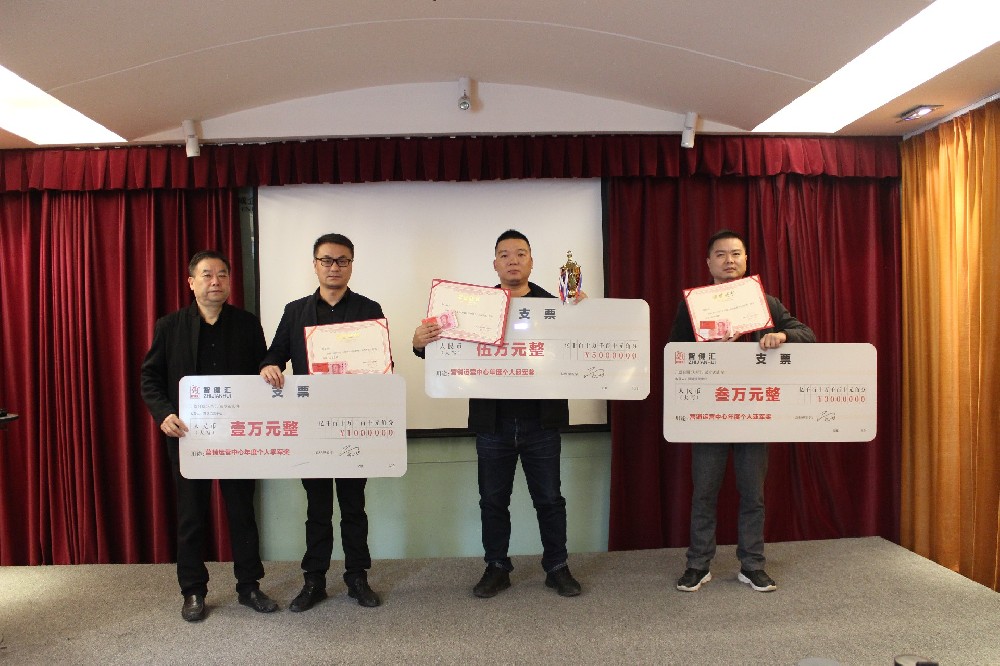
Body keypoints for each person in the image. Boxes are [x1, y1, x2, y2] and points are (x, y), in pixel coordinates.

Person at [412, 229, 583, 598]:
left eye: (520, 253)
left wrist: (584, 313)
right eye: (504, 255)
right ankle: (497, 567)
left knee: (550, 500)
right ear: (495, 264)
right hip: (493, 423)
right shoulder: (474, 309)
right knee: (492, 500)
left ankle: (557, 567)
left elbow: (582, 346)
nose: (513, 260)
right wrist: (420, 343)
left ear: (531, 261)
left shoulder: (555, 305)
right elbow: (445, 351)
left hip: (542, 421)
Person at [669, 229, 815, 593]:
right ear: (708, 263)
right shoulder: (694, 305)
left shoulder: (764, 303)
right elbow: (674, 352)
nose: (729, 260)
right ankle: (698, 564)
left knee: (753, 495)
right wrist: (708, 346)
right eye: (720, 254)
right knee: (704, 493)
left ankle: (752, 565)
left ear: (746, 260)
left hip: (754, 413)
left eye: (736, 253)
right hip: (709, 414)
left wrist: (782, 336)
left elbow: (806, 334)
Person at [140, 250, 278, 622]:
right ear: (191, 282)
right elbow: (150, 377)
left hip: (237, 437)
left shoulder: (247, 324)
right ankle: (193, 591)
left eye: (222, 274)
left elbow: (262, 365)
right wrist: (164, 413)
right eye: (206, 275)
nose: (215, 281)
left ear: (230, 281)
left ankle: (249, 586)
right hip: (190, 438)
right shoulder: (169, 326)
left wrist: (269, 367)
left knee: (242, 513)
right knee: (191, 517)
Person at [259, 233, 383, 611]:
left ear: (351, 265)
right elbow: (276, 353)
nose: (334, 267)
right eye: (326, 260)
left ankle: (357, 577)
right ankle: (314, 581)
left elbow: (381, 362)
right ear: (315, 264)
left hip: (353, 424)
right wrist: (269, 366)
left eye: (342, 260)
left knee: (353, 506)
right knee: (317, 508)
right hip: (311, 425)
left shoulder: (368, 308)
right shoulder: (295, 311)